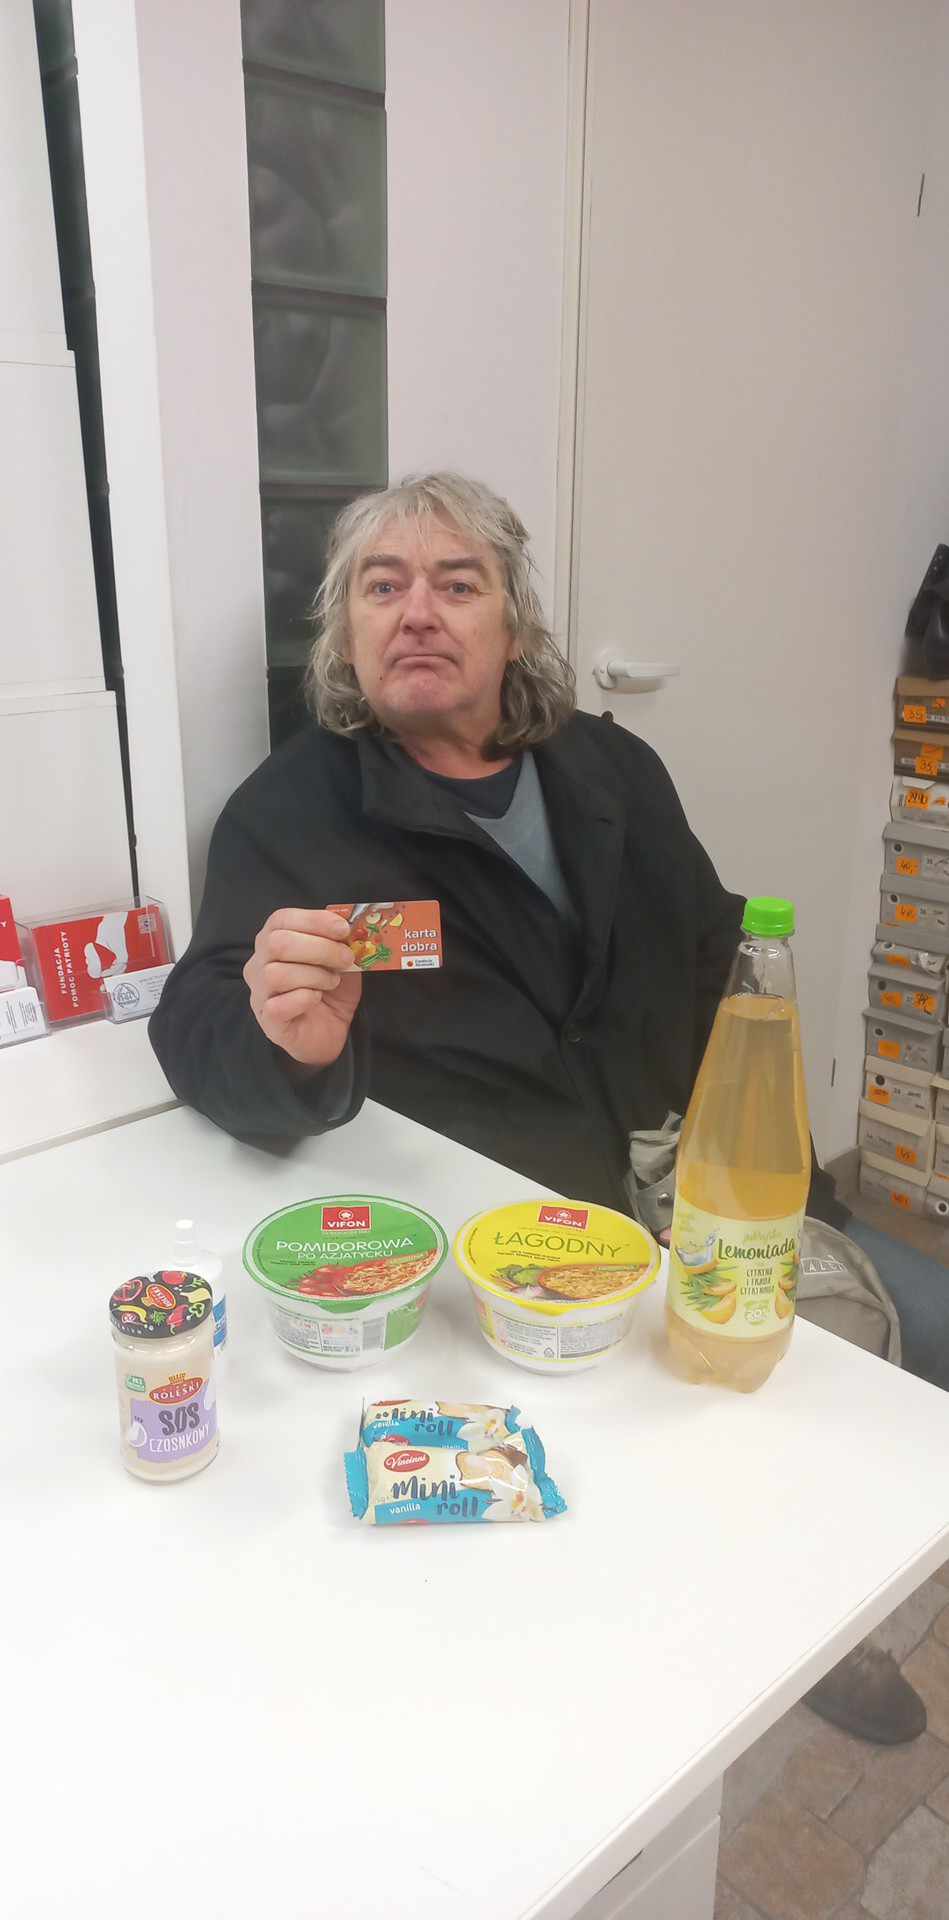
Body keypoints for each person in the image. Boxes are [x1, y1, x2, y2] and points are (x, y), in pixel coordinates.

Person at [150, 470, 923, 1744]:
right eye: (381, 587)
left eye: (457, 583)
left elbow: (717, 968)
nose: (417, 611)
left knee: (865, 1389)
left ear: (513, 624)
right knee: (595, 1587)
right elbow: (195, 1031)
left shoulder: (614, 768)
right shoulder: (290, 816)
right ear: (346, 632)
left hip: (684, 1198)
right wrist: (280, 1044)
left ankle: (831, 1624)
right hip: (508, 1261)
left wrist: (784, 1183)